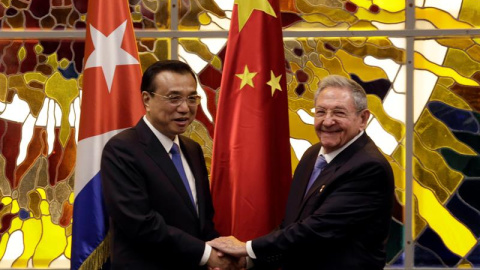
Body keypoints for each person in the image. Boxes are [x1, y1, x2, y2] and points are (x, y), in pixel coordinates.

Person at [209, 75, 395, 270]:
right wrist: (250, 260)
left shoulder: (369, 167)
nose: (328, 121)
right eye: (321, 112)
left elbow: (317, 229)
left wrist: (247, 248)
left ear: (363, 118)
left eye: (339, 113)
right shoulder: (312, 154)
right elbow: (291, 223)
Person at [101, 60, 237, 269]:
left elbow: (203, 219)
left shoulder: (192, 149)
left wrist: (221, 252)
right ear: (147, 99)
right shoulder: (122, 149)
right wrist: (205, 253)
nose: (185, 108)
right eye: (174, 98)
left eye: (192, 98)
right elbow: (140, 223)